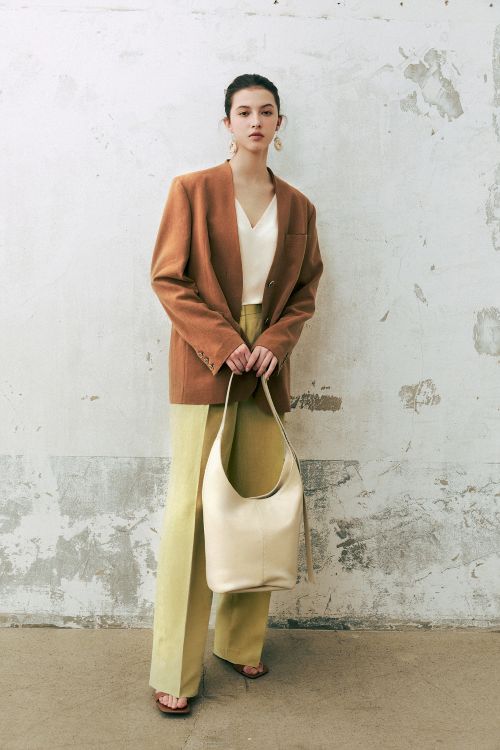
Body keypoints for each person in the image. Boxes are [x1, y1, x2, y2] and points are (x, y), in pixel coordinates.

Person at [149, 73, 324, 714]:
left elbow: (305, 290)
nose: (255, 121)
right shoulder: (191, 191)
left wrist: (276, 339)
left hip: (267, 366)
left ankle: (240, 641)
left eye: (266, 111)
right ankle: (174, 667)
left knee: (255, 507)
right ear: (226, 122)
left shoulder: (298, 206)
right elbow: (169, 279)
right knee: (193, 513)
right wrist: (224, 344)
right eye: (244, 111)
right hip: (207, 361)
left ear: (279, 123)